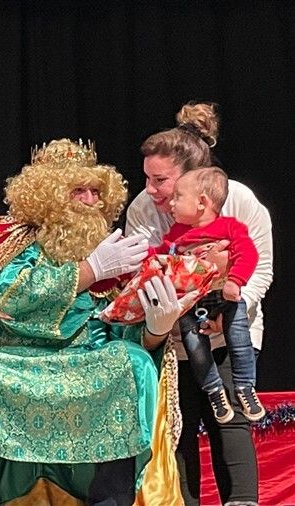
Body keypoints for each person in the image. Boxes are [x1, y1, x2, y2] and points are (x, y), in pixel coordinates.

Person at [0, 139, 195, 505]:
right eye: (79, 191)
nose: (91, 201)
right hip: (7, 365)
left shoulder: (113, 249)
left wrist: (156, 328)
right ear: (48, 194)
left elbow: (120, 328)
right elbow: (10, 304)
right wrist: (90, 270)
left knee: (135, 363)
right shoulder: (7, 241)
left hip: (83, 363)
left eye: (97, 191)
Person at [126, 101, 273, 506]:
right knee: (179, 423)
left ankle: (241, 500)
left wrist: (230, 312)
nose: (151, 190)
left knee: (229, 417)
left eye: (160, 180)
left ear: (195, 179)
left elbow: (261, 268)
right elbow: (144, 273)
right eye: (147, 179)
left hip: (229, 327)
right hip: (173, 334)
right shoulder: (143, 209)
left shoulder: (239, 201)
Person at [156, 166, 263, 424]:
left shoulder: (230, 227)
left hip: (225, 298)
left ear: (202, 202)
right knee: (195, 348)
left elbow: (248, 254)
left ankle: (245, 387)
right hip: (193, 302)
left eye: (178, 197)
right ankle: (214, 390)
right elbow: (160, 256)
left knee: (239, 340)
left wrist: (235, 281)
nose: (172, 203)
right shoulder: (175, 235)